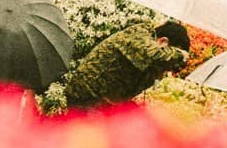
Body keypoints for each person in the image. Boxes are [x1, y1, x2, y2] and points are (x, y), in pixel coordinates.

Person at [59, 19, 191, 112]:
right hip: (87, 96)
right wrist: (180, 55)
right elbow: (153, 54)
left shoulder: (150, 49)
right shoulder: (139, 35)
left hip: (102, 100)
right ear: (163, 42)